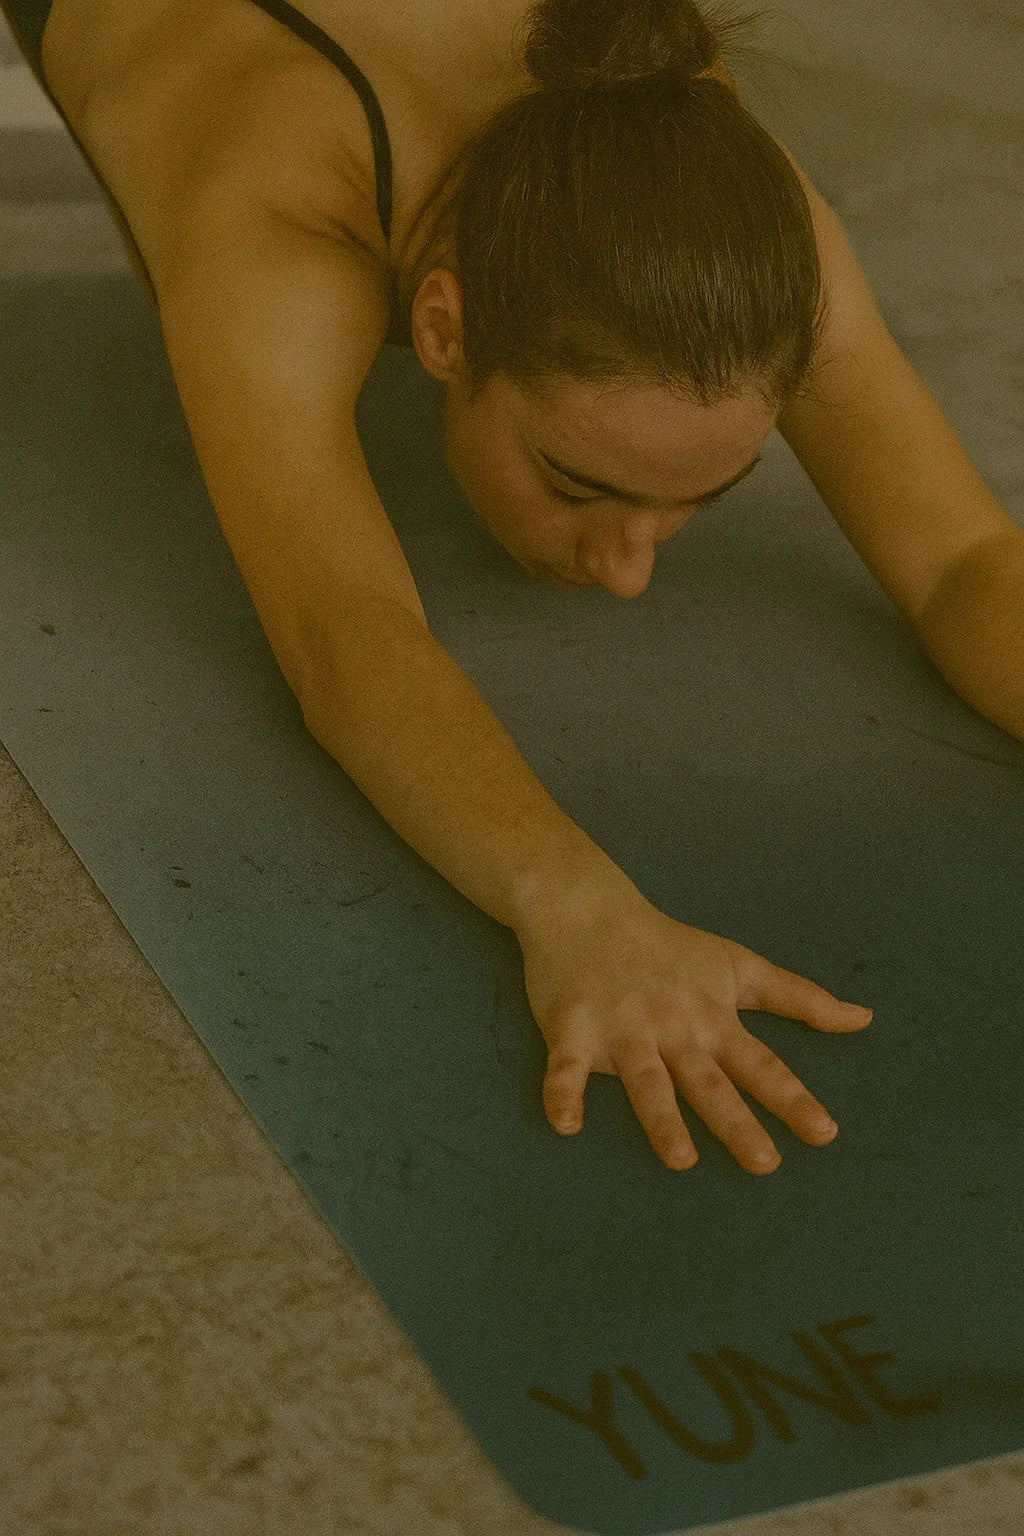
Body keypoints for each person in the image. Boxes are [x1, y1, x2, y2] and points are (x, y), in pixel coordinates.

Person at [4, 0, 1016, 1175]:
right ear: (441, 325)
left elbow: (961, 557)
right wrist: (578, 909)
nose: (629, 573)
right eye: (578, 485)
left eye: (706, 494)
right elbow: (350, 639)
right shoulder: (275, 215)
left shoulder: (733, 216)